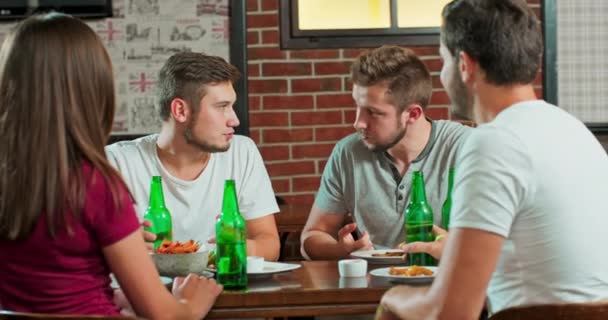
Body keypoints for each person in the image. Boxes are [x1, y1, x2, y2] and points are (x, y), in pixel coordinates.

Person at [378, 1, 608, 319]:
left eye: (443, 60)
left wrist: (393, 298)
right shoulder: (574, 131)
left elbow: (451, 314)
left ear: (465, 66)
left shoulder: (494, 142)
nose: (442, 75)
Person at [0, 13, 221, 318]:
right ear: (93, 89)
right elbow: (165, 315)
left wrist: (112, 287)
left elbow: (49, 282)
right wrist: (193, 302)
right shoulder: (96, 185)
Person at [301, 45, 471, 260]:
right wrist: (341, 250)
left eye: (373, 112)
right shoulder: (348, 152)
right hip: (371, 289)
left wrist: (457, 248)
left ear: (412, 113)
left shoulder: (466, 148)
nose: (358, 123)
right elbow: (313, 235)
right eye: (358, 106)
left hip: (443, 286)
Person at [105, 52, 280, 261]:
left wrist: (233, 246)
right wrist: (124, 247)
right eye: (222, 107)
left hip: (223, 288)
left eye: (231, 106)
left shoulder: (242, 152)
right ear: (180, 110)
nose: (234, 120)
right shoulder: (117, 161)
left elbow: (270, 246)